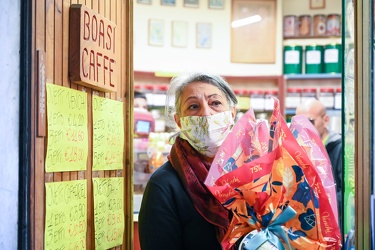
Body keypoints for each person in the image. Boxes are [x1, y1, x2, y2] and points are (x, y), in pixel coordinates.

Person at [138, 72, 238, 250]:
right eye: (193, 106)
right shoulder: (163, 185)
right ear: (179, 121)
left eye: (215, 103)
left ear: (232, 113)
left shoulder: (254, 175)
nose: (206, 114)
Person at [295, 99, 343, 233]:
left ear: (326, 120)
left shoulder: (340, 149)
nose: (304, 129)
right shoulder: (296, 150)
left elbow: (346, 195)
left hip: (331, 228)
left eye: (310, 122)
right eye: (299, 124)